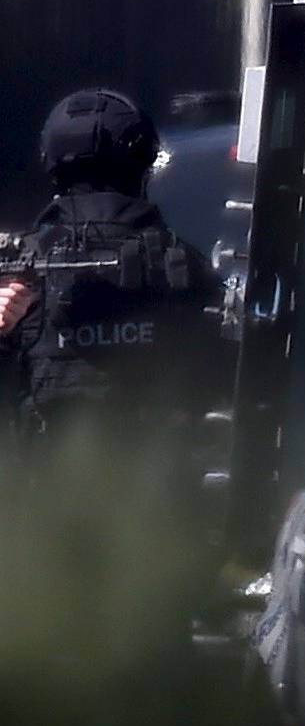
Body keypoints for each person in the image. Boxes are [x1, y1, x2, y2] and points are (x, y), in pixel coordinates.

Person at [0, 89, 224, 490]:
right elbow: (221, 377)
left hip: (47, 503)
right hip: (156, 502)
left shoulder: (22, 266)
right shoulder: (180, 263)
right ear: (142, 161)